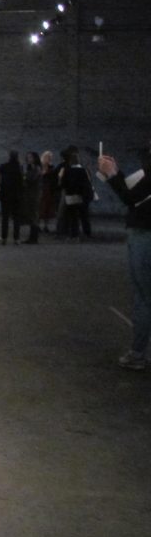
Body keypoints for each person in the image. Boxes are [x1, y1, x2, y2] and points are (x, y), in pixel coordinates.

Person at [98, 144, 151, 370]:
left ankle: (138, 353)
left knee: (143, 296)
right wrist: (116, 174)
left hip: (145, 233)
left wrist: (111, 175)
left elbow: (132, 197)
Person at [60, 150, 93, 240]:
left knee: (73, 216)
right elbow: (87, 183)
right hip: (81, 196)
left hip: (71, 196)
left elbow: (63, 184)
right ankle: (87, 233)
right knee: (84, 216)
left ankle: (74, 234)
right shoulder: (83, 171)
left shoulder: (67, 171)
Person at [0, 150, 24, 244]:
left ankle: (4, 237)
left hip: (5, 195)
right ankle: (16, 238)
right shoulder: (19, 168)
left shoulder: (4, 167)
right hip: (16, 196)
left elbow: (0, 179)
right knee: (16, 218)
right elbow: (21, 183)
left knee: (5, 217)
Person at [22, 151, 42, 244]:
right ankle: (32, 237)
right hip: (31, 193)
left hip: (34, 194)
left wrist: (25, 176)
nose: (28, 159)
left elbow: (31, 179)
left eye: (30, 157)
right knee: (32, 215)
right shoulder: (32, 168)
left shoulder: (36, 168)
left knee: (34, 214)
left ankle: (34, 237)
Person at [39, 150, 57, 232]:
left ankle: (46, 226)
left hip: (48, 190)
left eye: (50, 158)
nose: (49, 159)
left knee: (47, 208)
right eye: (48, 157)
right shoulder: (39, 166)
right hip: (41, 189)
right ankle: (38, 225)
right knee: (40, 207)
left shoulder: (51, 167)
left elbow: (53, 178)